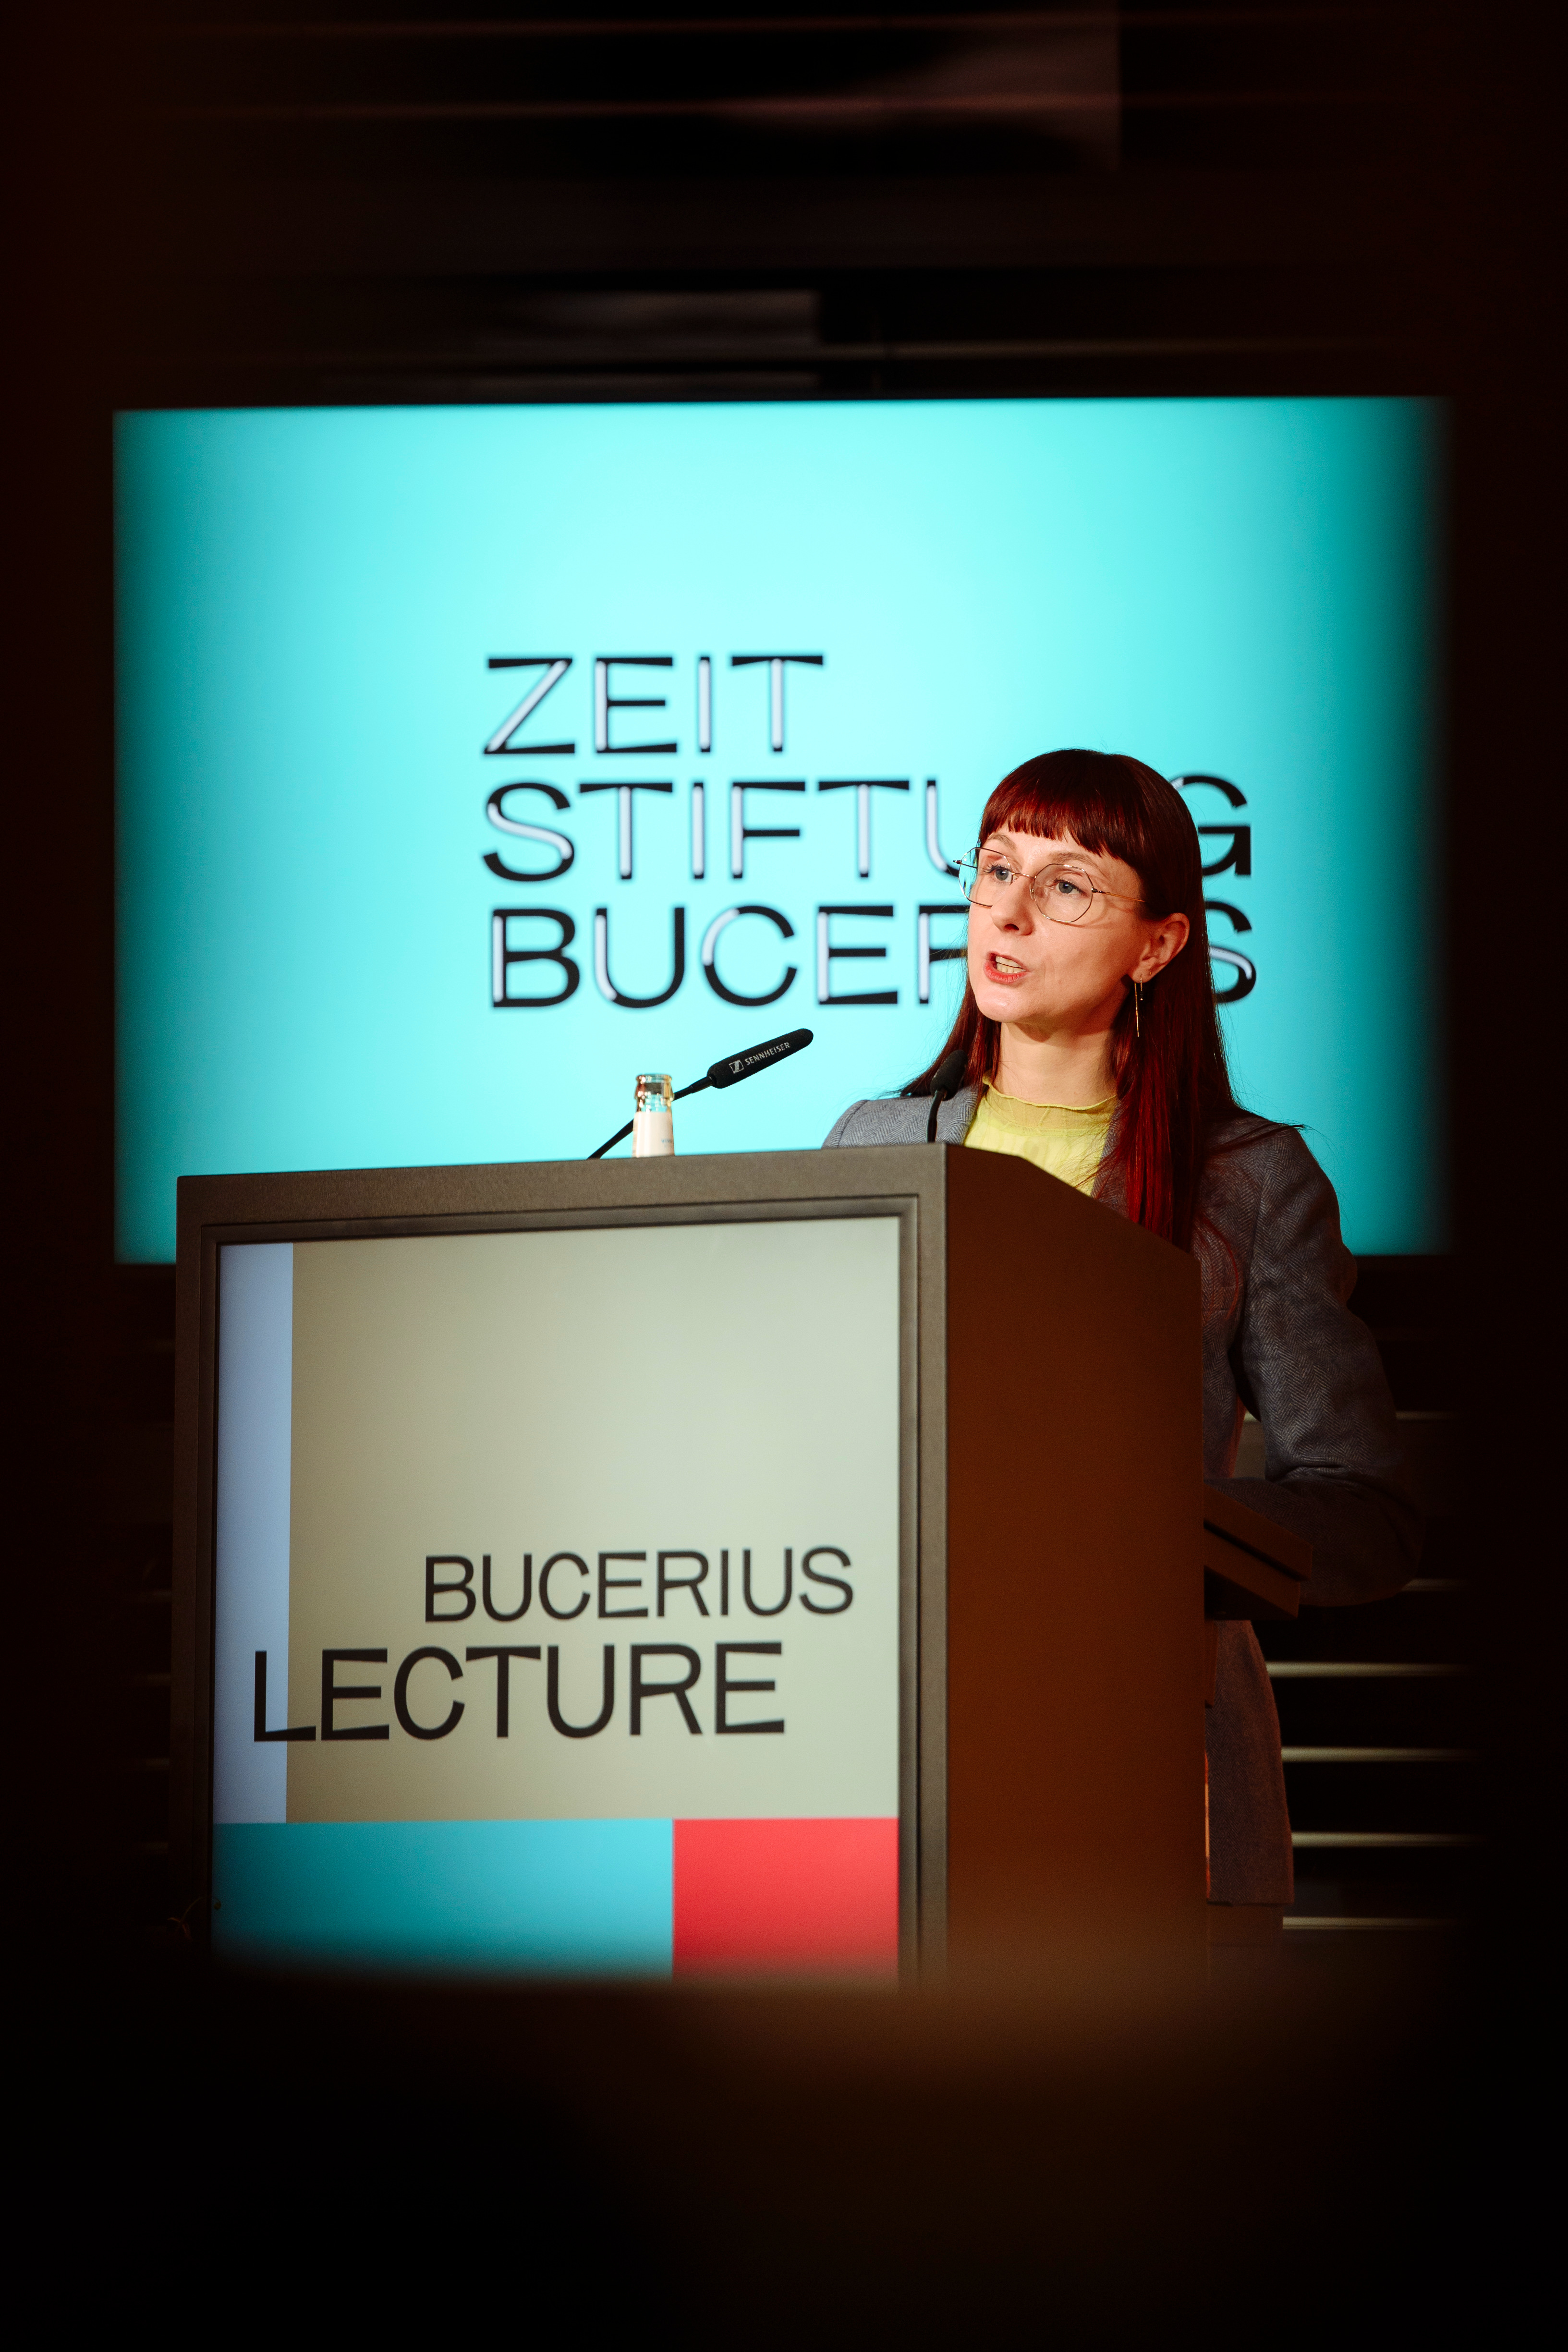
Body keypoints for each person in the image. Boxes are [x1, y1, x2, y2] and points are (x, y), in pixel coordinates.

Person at [822, 749, 1420, 1907]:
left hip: (1152, 1751)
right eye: (996, 868)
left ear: (1158, 945)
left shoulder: (1250, 1179)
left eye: (1065, 885)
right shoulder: (872, 1141)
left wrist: (1133, 1531)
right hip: (892, 1755)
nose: (1006, 911)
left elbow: (1367, 1516)